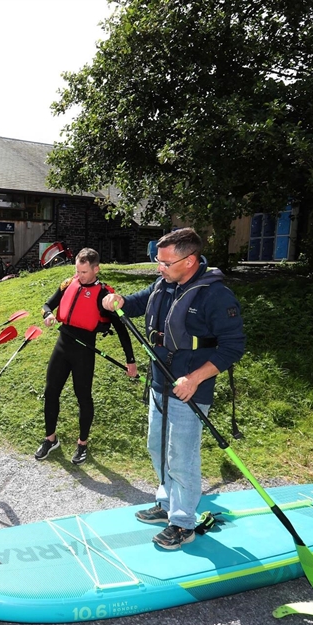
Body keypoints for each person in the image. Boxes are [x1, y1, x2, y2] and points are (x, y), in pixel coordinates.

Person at [103, 228, 245, 551]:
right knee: (157, 447)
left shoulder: (216, 296)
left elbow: (233, 347)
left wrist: (195, 378)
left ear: (190, 261)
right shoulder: (164, 284)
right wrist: (119, 300)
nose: (159, 267)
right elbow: (137, 303)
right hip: (160, 383)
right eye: (158, 260)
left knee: (181, 457)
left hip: (190, 390)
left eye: (166, 263)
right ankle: (166, 503)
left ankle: (183, 523)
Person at [37, 248, 137, 465]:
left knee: (83, 397)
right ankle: (50, 439)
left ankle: (82, 444)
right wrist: (48, 314)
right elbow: (47, 305)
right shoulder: (68, 284)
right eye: (77, 270)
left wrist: (131, 360)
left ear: (96, 269)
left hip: (84, 351)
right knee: (50, 392)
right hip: (62, 345)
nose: (79, 276)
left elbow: (121, 329)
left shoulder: (104, 295)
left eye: (84, 272)